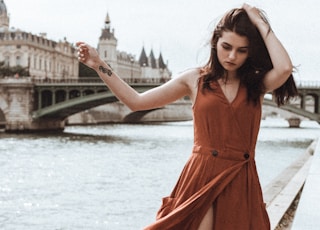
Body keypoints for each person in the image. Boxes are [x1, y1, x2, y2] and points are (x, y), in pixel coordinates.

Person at [77, 3, 298, 230]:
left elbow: (284, 68)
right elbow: (136, 101)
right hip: (200, 174)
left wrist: (259, 21)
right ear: (215, 42)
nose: (232, 56)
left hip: (240, 177)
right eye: (227, 46)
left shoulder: (255, 84)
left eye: (242, 50)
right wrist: (99, 65)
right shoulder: (194, 80)